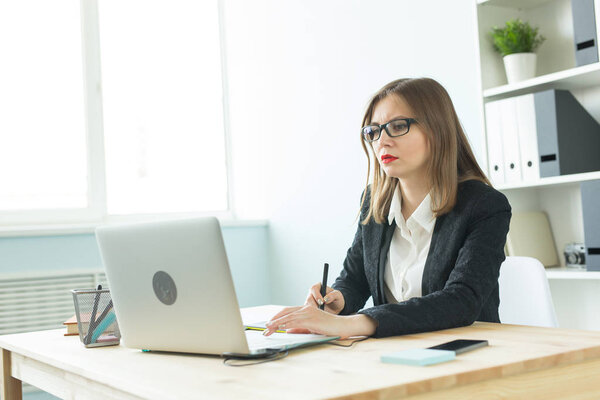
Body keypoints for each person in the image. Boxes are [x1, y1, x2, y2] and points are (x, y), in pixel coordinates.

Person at [263, 78, 512, 338]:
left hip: (464, 352)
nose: (382, 141)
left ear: (437, 129)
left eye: (397, 126)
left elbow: (462, 301)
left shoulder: (484, 205)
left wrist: (355, 324)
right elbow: (355, 280)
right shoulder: (375, 201)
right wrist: (338, 301)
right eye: (374, 131)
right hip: (393, 350)